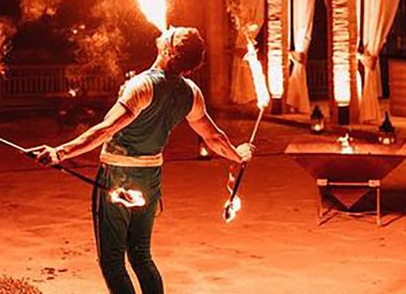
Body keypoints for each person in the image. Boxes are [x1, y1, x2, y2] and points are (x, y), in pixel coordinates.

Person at [32, 26, 254, 294]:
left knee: (113, 261)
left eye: (174, 32)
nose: (169, 28)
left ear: (169, 50)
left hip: (119, 176)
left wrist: (60, 152)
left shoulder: (143, 85)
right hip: (150, 179)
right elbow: (214, 138)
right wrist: (237, 155)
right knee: (141, 255)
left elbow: (105, 129)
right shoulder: (191, 93)